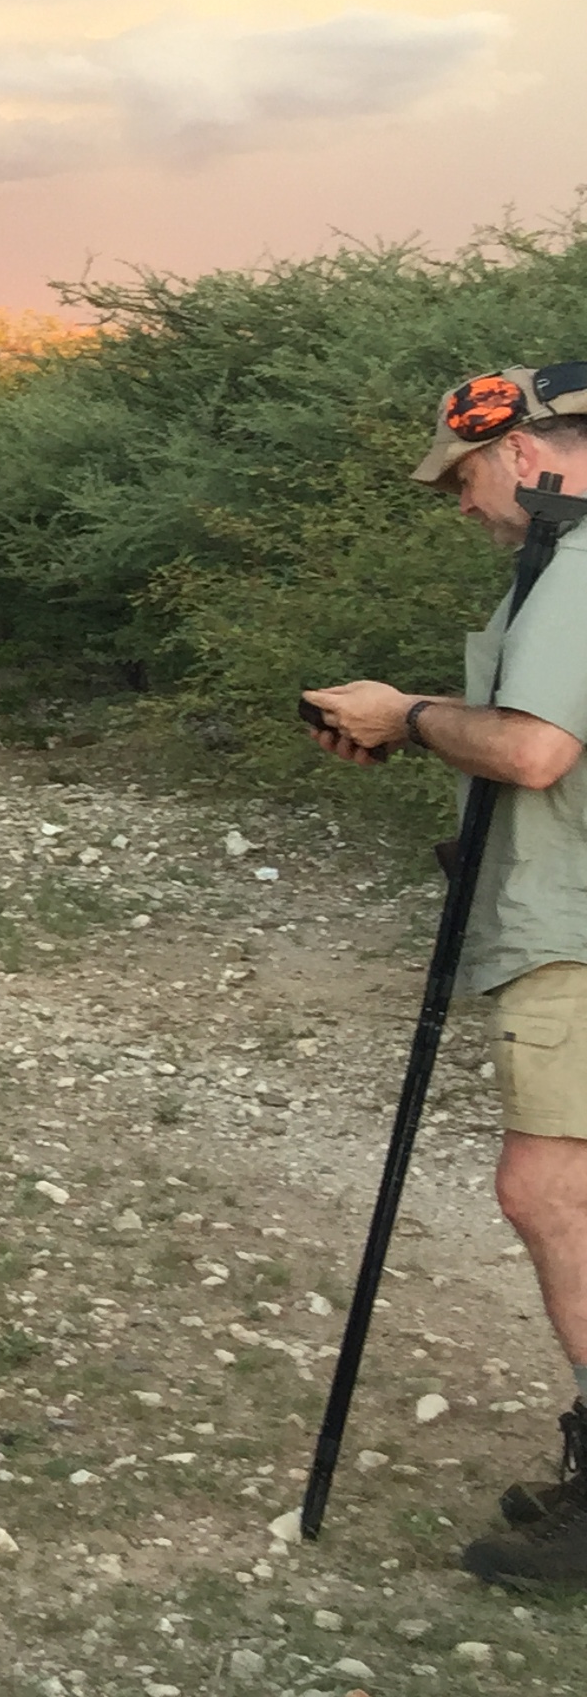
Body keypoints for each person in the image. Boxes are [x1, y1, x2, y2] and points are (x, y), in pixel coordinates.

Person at [306, 362, 587, 1591]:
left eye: (465, 478)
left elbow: (532, 752)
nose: (463, 506)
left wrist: (406, 713)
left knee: (548, 1196)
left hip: (576, 937)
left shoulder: (579, 572)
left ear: (526, 454)